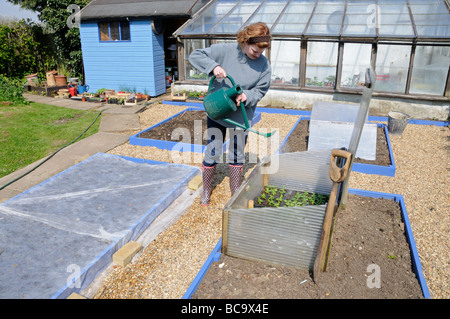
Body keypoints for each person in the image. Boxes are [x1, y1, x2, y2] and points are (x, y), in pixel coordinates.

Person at [189, 22, 272, 206]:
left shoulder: (263, 65)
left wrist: (246, 96)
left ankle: (235, 191)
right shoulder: (226, 50)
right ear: (245, 40)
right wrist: (213, 67)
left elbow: (261, 89)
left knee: (237, 153)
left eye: (261, 52)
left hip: (240, 117)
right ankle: (206, 190)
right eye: (255, 50)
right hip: (218, 113)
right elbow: (195, 55)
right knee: (213, 150)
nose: (258, 55)